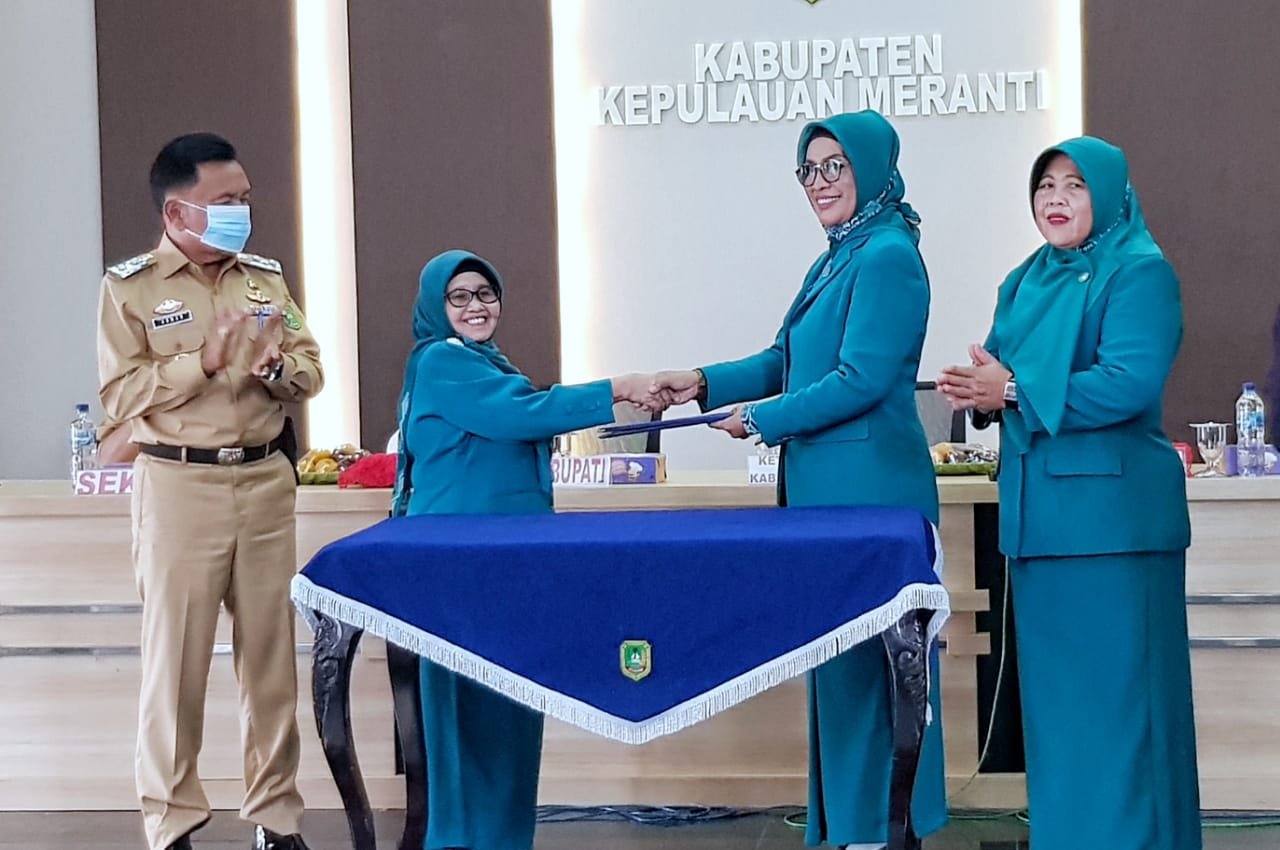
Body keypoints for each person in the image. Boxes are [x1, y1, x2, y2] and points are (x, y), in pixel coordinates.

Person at [650, 110, 946, 849]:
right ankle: (853, 828)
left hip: (871, 496)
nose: (820, 182)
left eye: (835, 166)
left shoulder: (887, 255)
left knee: (872, 671)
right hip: (830, 498)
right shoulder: (840, 255)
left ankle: (877, 830)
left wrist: (762, 419)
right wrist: (702, 382)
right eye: (808, 170)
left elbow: (860, 379)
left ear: (870, 167)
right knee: (840, 667)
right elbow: (784, 359)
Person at [937, 137, 1201, 850]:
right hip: (1041, 529)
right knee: (1064, 730)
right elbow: (1002, 370)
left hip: (1114, 533)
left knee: (1123, 723)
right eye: (1045, 184)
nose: (1055, 198)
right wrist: (980, 390)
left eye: (1075, 184)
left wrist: (1011, 389)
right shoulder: (1023, 279)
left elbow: (1128, 383)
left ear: (1108, 193)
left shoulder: (1141, 273)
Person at [97, 133, 323, 850]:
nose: (241, 213)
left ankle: (275, 819)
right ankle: (172, 823)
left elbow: (310, 370)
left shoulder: (264, 279)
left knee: (271, 663)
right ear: (177, 212)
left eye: (245, 199)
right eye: (225, 201)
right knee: (177, 666)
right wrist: (203, 361)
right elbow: (120, 396)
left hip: (264, 481)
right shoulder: (130, 288)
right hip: (178, 485)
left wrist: (274, 368)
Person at [392, 249, 659, 850]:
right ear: (435, 305)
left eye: (486, 294)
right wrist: (620, 388)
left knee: (507, 704)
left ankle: (501, 837)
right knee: (469, 712)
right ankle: (464, 840)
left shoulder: (486, 362)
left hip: (501, 561)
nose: (476, 306)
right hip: (463, 564)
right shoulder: (441, 359)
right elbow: (520, 414)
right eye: (459, 296)